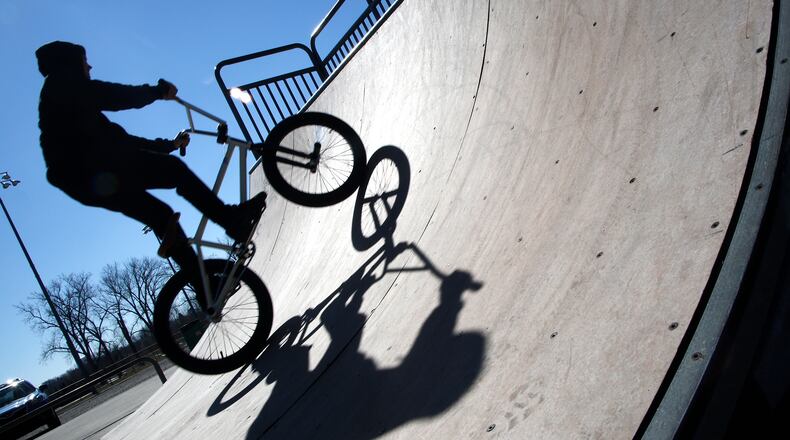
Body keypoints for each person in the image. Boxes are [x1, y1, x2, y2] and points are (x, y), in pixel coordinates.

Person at [35, 41, 266, 298]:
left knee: (162, 216)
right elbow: (115, 97)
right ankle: (231, 221)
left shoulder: (71, 105)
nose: (89, 66)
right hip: (93, 175)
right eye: (84, 61)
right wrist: (157, 92)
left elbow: (123, 143)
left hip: (90, 177)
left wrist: (169, 145)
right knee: (175, 172)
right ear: (69, 64)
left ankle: (206, 289)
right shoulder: (64, 89)